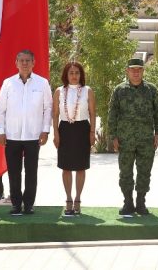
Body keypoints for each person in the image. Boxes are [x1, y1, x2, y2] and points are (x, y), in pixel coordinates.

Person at [0, 49, 52, 216]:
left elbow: (48, 108)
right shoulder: (8, 83)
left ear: (34, 63)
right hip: (12, 135)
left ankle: (28, 205)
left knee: (31, 172)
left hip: (33, 135)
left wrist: (45, 130)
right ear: (16, 63)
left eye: (28, 60)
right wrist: (0, 131)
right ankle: (16, 204)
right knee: (14, 172)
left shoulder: (42, 83)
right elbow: (0, 109)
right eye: (22, 60)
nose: (25, 63)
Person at [107, 57, 158, 217]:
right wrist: (113, 136)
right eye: (133, 70)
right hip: (125, 139)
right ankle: (128, 202)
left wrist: (157, 133)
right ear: (127, 71)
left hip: (146, 139)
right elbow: (112, 114)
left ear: (143, 71)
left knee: (144, 172)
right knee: (125, 172)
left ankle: (141, 202)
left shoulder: (151, 90)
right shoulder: (120, 90)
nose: (136, 72)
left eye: (139, 69)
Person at [53, 61, 96, 217]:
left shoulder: (87, 91)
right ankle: (68, 199)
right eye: (71, 73)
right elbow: (55, 115)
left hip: (82, 129)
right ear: (66, 75)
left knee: (80, 167)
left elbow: (92, 113)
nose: (74, 76)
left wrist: (92, 132)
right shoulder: (59, 91)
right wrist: (56, 133)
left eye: (77, 73)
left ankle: (78, 199)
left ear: (81, 75)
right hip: (65, 129)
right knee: (66, 167)